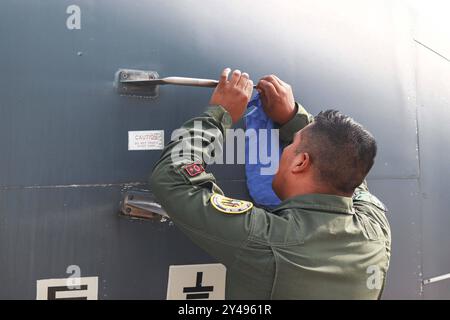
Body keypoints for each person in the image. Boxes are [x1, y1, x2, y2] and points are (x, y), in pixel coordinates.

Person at [150, 68, 391, 299]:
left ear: (300, 163)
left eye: (292, 145)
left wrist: (219, 114)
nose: (284, 150)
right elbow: (349, 173)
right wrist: (292, 118)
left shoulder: (264, 238)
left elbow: (172, 178)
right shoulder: (375, 229)